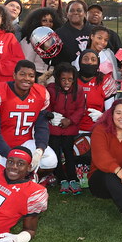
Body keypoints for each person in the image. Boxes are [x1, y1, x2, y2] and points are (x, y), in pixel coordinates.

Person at [0, 60, 57, 170]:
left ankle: (30, 177)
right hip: (0, 146)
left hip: (25, 143)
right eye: (22, 74)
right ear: (14, 75)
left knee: (50, 160)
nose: (26, 78)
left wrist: (39, 150)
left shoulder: (41, 94)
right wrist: (11, 155)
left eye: (31, 76)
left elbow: (42, 127)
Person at [46, 63, 87, 194]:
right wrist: (51, 116)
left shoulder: (79, 90)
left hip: (70, 129)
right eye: (63, 79)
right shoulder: (51, 89)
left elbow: (81, 109)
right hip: (54, 129)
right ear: (58, 78)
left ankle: (73, 179)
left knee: (69, 154)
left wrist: (70, 120)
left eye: (70, 79)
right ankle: (61, 179)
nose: (67, 82)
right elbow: (46, 107)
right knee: (56, 153)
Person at [19, 6, 64, 82]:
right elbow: (27, 62)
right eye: (44, 20)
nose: (48, 23)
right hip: (35, 75)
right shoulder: (29, 40)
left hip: (52, 75)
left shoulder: (56, 38)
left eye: (51, 21)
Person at [51, 0, 92, 66]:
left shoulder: (94, 31)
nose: (75, 13)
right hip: (69, 73)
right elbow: (54, 59)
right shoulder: (59, 33)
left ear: (85, 13)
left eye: (79, 10)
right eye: (72, 10)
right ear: (67, 14)